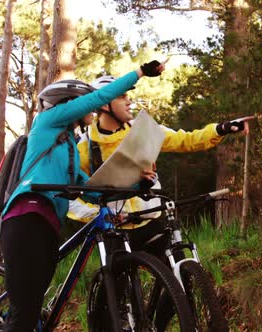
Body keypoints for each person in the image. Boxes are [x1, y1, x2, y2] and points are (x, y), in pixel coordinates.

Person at [0, 61, 165, 332]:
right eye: (84, 101)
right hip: (25, 218)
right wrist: (140, 73)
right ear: (69, 103)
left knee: (31, 308)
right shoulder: (46, 123)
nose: (92, 106)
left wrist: (138, 186)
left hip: (49, 225)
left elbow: (94, 190)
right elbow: (100, 97)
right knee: (25, 315)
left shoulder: (71, 150)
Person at [67, 74, 250, 256]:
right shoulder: (83, 148)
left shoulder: (144, 131)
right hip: (113, 232)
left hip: (149, 221)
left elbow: (186, 140)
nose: (129, 101)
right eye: (122, 96)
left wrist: (221, 128)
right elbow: (68, 197)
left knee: (179, 272)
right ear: (104, 104)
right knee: (116, 283)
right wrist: (97, 214)